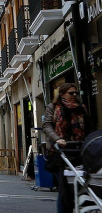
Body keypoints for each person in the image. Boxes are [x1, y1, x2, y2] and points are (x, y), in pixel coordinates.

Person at [43, 83, 91, 213]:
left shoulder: (82, 108)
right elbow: (47, 126)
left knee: (80, 186)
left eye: (76, 93)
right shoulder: (53, 108)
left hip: (79, 151)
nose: (74, 95)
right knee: (64, 189)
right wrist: (57, 138)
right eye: (71, 93)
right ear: (62, 94)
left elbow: (88, 126)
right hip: (60, 153)